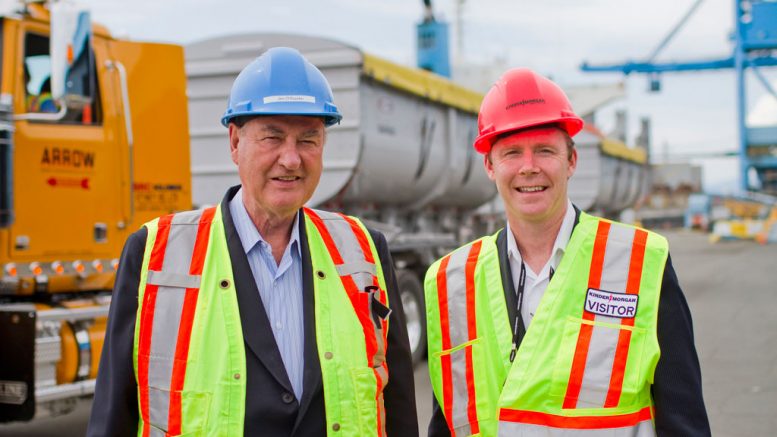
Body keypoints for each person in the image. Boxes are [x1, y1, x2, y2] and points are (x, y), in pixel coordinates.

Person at [88, 47, 418, 436]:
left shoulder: (364, 249)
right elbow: (114, 415)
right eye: (272, 137)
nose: (291, 159)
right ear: (234, 142)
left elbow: (396, 405)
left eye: (308, 139)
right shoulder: (155, 253)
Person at [424, 68, 710, 436]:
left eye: (545, 150)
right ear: (490, 166)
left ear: (571, 161)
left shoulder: (639, 262)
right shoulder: (450, 282)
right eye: (512, 153)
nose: (529, 167)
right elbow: (447, 421)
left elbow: (683, 420)